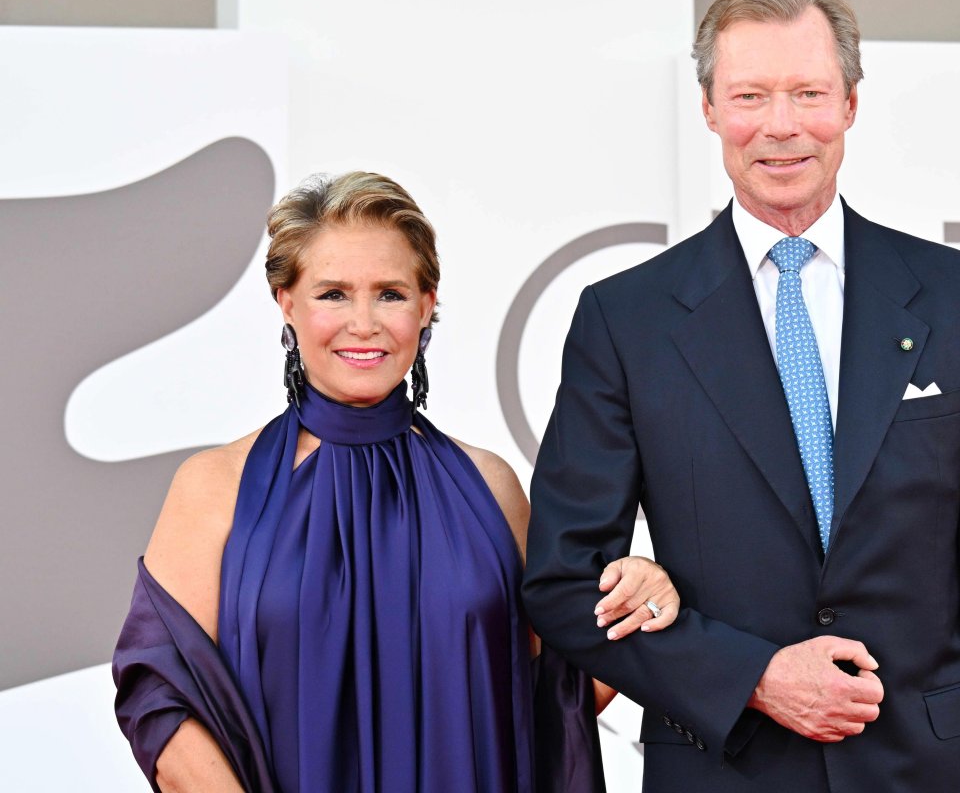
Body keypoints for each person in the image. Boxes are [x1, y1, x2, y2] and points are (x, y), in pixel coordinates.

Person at [523, 0, 960, 792]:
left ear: (850, 103)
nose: (781, 127)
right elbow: (564, 584)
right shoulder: (625, 321)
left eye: (808, 93)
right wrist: (753, 676)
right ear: (709, 109)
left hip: (931, 771)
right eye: (750, 96)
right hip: (725, 769)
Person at [112, 171, 682, 793]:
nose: (364, 323)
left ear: (427, 303)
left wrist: (644, 602)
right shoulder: (214, 486)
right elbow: (161, 696)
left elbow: (550, 700)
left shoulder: (490, 487)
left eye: (389, 293)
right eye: (332, 293)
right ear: (286, 302)